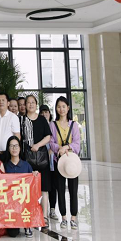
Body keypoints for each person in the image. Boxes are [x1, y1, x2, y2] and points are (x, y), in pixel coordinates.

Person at [49, 96, 81, 230]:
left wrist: (66, 147)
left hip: (72, 163)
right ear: (56, 109)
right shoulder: (53, 125)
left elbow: (77, 143)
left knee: (73, 190)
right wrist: (59, 149)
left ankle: (73, 217)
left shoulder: (74, 125)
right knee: (60, 190)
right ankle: (63, 217)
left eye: (63, 106)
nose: (61, 109)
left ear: (68, 108)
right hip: (59, 162)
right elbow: (51, 142)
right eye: (58, 107)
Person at [21, 94, 52, 229]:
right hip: (27, 159)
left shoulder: (42, 119)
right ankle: (31, 215)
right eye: (28, 102)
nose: (31, 104)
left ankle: (44, 217)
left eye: (33, 102)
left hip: (42, 158)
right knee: (29, 189)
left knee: (44, 188)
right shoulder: (22, 120)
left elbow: (48, 137)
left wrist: (38, 145)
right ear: (25, 105)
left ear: (36, 104)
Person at [4, 136, 34, 238]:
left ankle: (27, 225)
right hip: (10, 205)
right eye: (11, 146)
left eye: (16, 146)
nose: (14, 148)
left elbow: (32, 185)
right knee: (12, 234)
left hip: (24, 202)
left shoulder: (26, 165)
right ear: (8, 148)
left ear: (20, 148)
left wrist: (34, 175)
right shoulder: (5, 166)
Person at [40, 103, 59, 221]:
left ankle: (52, 209)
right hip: (43, 159)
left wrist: (53, 148)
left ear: (49, 113)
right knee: (45, 186)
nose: (44, 114)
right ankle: (43, 210)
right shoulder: (40, 124)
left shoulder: (53, 125)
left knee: (53, 185)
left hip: (53, 158)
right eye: (42, 113)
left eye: (46, 112)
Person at [0, 93, 20, 162]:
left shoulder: (13, 117)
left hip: (9, 153)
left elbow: (17, 136)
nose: (1, 102)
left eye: (3, 100)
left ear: (8, 103)